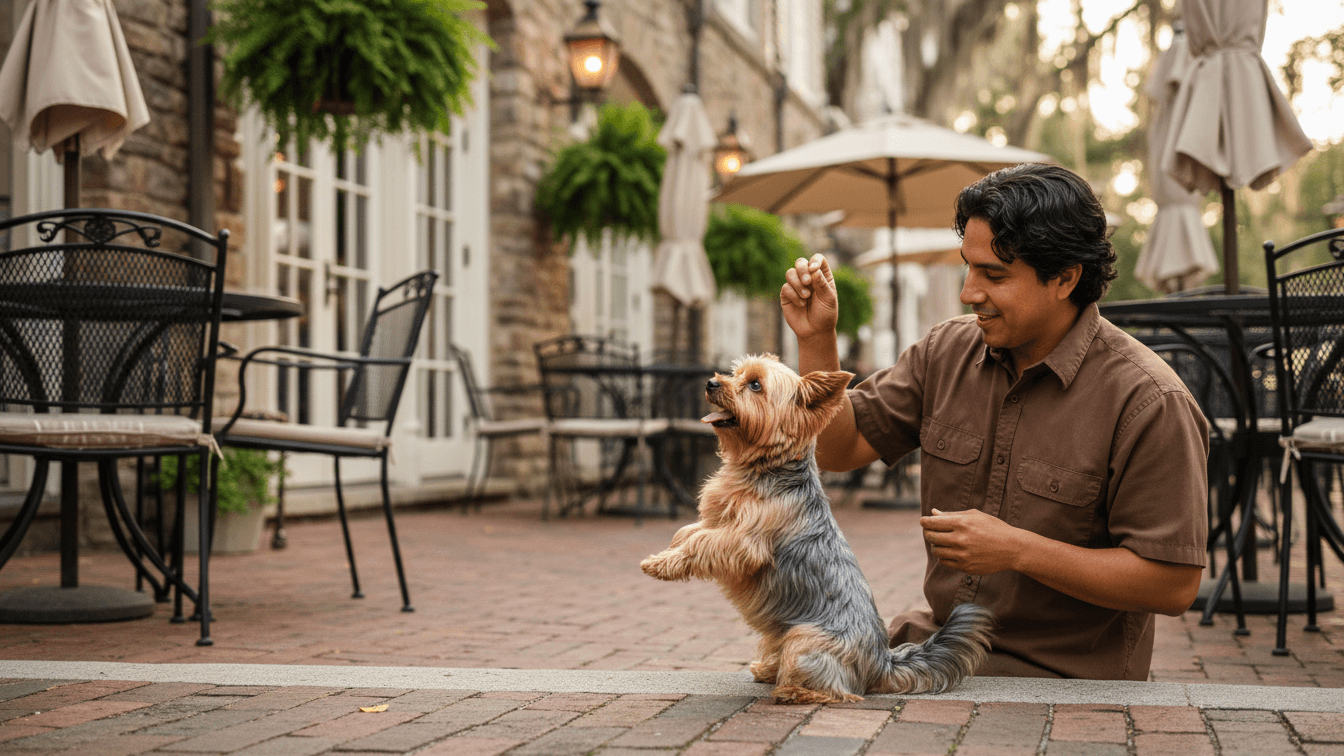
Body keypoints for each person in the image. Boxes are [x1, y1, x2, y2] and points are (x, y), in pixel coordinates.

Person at [779, 163, 1208, 680]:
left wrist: (1019, 550)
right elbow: (837, 450)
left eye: (994, 275)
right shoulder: (945, 351)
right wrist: (816, 339)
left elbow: (1173, 585)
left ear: (1065, 278)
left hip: (1060, 680)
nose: (968, 292)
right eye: (969, 267)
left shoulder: (1150, 401)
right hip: (936, 651)